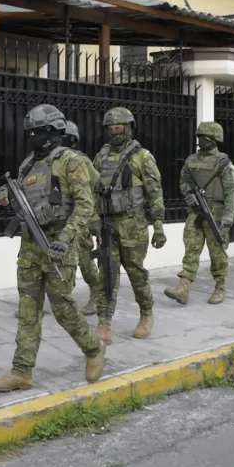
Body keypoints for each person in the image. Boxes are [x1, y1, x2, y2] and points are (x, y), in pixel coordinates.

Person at [0, 104, 106, 392]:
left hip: (59, 245)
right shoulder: (27, 164)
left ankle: (93, 348)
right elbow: (23, 197)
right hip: (31, 246)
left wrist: (66, 237)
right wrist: (5, 195)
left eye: (38, 132)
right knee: (28, 310)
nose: (32, 137)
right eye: (29, 132)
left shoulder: (71, 161)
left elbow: (85, 205)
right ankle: (21, 371)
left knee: (63, 308)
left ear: (54, 133)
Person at [92, 107, 167, 344]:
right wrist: (92, 219)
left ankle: (146, 314)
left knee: (136, 273)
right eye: (111, 128)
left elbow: (155, 192)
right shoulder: (100, 157)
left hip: (133, 225)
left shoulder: (141, 156)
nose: (115, 132)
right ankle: (104, 324)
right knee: (107, 275)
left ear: (128, 128)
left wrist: (159, 227)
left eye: (119, 128)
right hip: (107, 226)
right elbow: (91, 191)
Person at [165, 122, 234, 306]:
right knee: (191, 249)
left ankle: (219, 287)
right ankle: (183, 288)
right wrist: (189, 194)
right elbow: (184, 181)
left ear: (214, 140)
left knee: (217, 253)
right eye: (199, 137)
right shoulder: (191, 160)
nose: (200, 141)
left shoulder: (223, 163)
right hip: (196, 213)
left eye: (204, 138)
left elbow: (231, 192)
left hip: (217, 213)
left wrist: (228, 218)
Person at [61, 120, 103, 316]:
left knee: (84, 260)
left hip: (78, 219)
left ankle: (97, 295)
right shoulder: (48, 160)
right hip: (56, 220)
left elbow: (96, 186)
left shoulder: (80, 160)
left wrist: (93, 217)